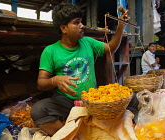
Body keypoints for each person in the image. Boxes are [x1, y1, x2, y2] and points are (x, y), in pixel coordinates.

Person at [31, 3, 131, 136]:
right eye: (76, 23)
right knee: (39, 110)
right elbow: (41, 82)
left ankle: (83, 130)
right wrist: (55, 80)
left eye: (81, 22)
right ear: (64, 28)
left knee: (131, 99)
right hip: (66, 101)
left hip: (91, 100)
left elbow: (110, 48)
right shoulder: (50, 51)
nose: (82, 25)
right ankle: (71, 135)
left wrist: (120, 27)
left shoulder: (88, 42)